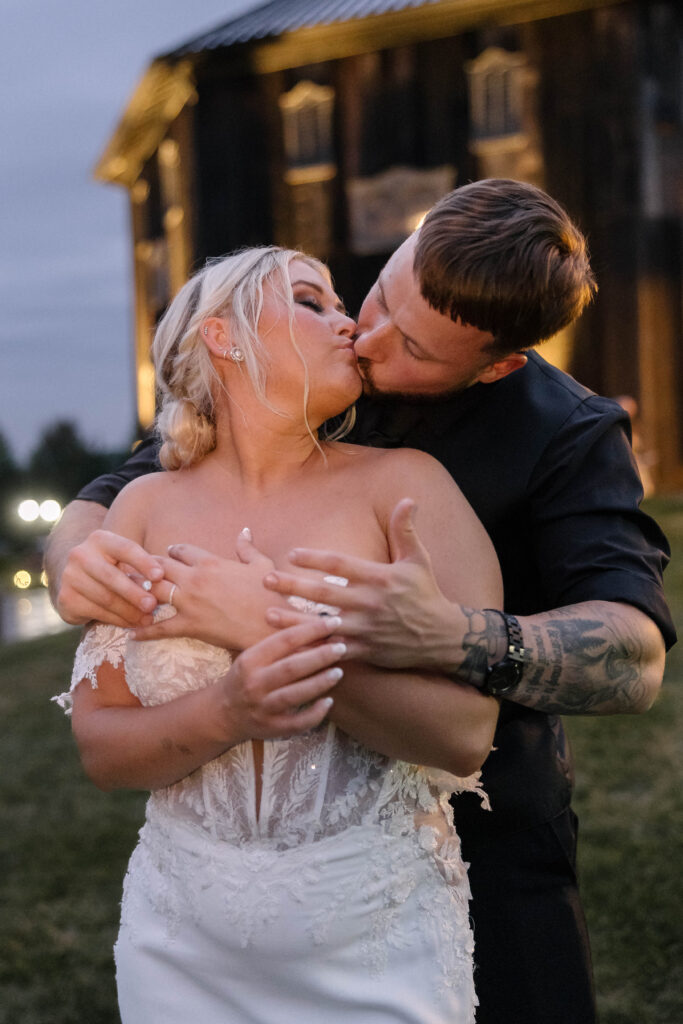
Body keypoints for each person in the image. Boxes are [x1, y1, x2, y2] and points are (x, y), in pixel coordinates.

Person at [47, 180, 675, 1024]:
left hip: (469, 833)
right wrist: (74, 563)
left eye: (411, 344)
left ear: (495, 364)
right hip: (199, 902)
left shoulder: (561, 432)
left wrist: (457, 636)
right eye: (373, 294)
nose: (366, 336)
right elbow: (129, 487)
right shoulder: (303, 367)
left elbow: (631, 656)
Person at [53, 246, 504, 1023]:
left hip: (377, 939)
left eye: (340, 304)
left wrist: (269, 631)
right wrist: (228, 710)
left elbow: (464, 736)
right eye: (312, 301)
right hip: (180, 946)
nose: (349, 325)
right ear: (223, 338)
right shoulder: (144, 510)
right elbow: (102, 750)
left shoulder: (407, 488)